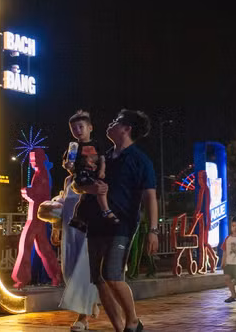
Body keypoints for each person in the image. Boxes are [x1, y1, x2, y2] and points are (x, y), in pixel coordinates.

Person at [77, 109, 158, 332]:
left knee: (111, 273)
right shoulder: (103, 157)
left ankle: (133, 320)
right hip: (96, 221)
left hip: (121, 224)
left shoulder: (140, 161)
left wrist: (153, 230)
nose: (110, 123)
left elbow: (150, 196)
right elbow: (81, 184)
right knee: (98, 279)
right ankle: (120, 328)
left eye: (116, 121)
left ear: (126, 129)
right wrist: (89, 187)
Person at [57, 174, 99, 331]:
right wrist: (55, 226)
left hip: (85, 231)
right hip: (69, 232)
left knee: (83, 271)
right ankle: (91, 303)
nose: (69, 161)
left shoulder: (91, 178)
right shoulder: (68, 180)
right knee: (68, 270)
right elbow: (64, 203)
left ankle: (82, 317)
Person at [64, 110, 113, 232]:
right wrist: (68, 166)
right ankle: (106, 211)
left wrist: (102, 171)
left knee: (85, 198)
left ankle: (77, 218)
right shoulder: (73, 147)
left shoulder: (97, 144)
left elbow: (102, 159)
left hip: (94, 175)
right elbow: (68, 164)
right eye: (74, 129)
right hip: (82, 175)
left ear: (90, 128)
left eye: (81, 127)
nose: (78, 131)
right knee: (97, 189)